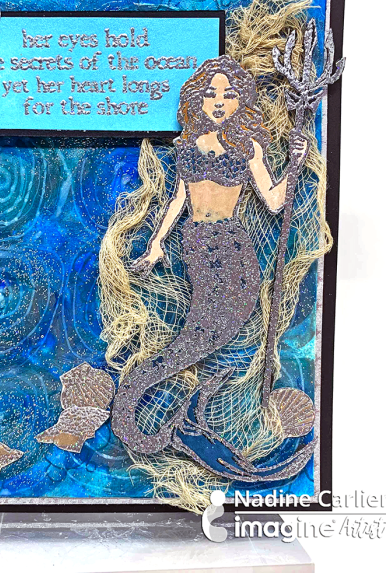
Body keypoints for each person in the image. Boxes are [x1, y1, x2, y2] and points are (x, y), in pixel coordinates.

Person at [110, 55, 312, 480]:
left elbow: (275, 201)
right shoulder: (187, 144)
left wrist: (295, 163)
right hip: (197, 244)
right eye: (211, 93)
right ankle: (168, 417)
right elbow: (179, 199)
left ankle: (185, 419)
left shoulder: (248, 147)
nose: (219, 101)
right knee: (199, 330)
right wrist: (157, 241)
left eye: (229, 94)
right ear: (197, 100)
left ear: (241, 102)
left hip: (233, 249)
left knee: (213, 328)